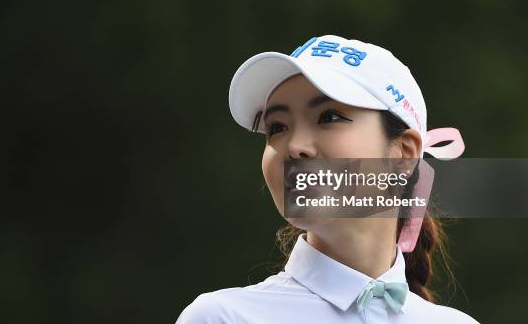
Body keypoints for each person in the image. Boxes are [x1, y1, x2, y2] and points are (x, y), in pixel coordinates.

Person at [176, 35, 479, 323]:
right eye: (277, 127)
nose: (294, 146)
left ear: (404, 152)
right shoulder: (221, 318)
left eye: (328, 117)